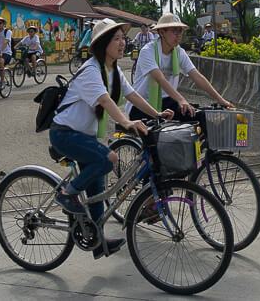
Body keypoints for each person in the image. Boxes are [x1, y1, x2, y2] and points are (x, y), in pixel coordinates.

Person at [50, 18, 173, 259]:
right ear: (103, 43)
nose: (122, 43)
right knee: (108, 160)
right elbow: (105, 100)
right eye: (116, 38)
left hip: (83, 135)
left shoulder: (114, 70)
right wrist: (126, 122)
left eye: (123, 38)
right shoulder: (90, 70)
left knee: (98, 189)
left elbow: (133, 95)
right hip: (64, 134)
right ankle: (66, 193)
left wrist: (156, 114)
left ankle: (96, 240)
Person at [129, 13, 234, 119]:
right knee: (158, 133)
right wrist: (181, 99)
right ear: (161, 32)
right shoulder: (148, 51)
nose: (178, 35)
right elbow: (160, 79)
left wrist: (221, 100)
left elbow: (197, 76)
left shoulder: (179, 52)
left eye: (180, 31)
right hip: (142, 104)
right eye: (174, 31)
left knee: (200, 116)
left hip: (166, 101)